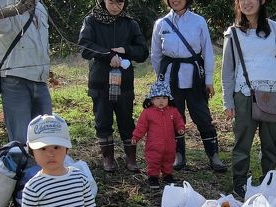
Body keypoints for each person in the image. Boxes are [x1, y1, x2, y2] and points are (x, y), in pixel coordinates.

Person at [221, 0, 276, 198]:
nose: (247, 3)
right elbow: (227, 70)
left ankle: (269, 181)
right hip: (244, 94)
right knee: (242, 143)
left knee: (271, 143)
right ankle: (240, 184)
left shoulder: (274, 28)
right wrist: (228, 101)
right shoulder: (233, 33)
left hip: (274, 92)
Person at [151, 0, 227, 173]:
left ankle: (213, 154)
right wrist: (161, 80)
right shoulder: (161, 23)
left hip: (194, 77)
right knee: (174, 118)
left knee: (202, 116)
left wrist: (209, 80)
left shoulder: (198, 21)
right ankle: (178, 154)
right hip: (170, 78)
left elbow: (207, 51)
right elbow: (155, 54)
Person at [78, 0, 149, 173]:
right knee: (103, 120)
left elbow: (142, 52)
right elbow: (84, 46)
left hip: (124, 82)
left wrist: (126, 50)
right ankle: (108, 158)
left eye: (120, 3)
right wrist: (107, 55)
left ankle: (131, 159)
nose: (116, 7)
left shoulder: (130, 23)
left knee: (126, 120)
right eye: (111, 2)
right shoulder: (91, 20)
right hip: (100, 80)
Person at [0, 0, 53, 145]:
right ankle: (24, 167)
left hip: (40, 79)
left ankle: (43, 168)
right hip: (15, 79)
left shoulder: (40, 7)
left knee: (47, 135)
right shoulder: (2, 3)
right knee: (21, 138)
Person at [131, 81, 186, 189]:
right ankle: (153, 177)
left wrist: (180, 128)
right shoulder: (148, 113)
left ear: (168, 99)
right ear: (151, 100)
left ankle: (168, 176)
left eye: (164, 98)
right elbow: (141, 126)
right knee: (153, 160)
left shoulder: (173, 111)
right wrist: (136, 137)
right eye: (157, 98)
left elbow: (179, 120)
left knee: (169, 159)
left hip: (170, 143)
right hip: (154, 144)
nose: (161, 101)